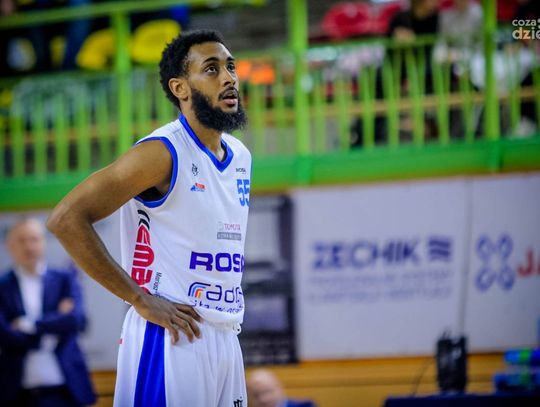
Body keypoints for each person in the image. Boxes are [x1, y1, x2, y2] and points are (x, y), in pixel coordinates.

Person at [47, 29, 251, 406]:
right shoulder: (161, 152)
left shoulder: (240, 155)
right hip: (171, 336)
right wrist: (138, 297)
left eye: (230, 67)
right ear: (180, 87)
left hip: (226, 335)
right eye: (211, 69)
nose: (228, 78)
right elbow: (66, 218)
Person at [0, 218, 96, 407]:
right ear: (9, 246)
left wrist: (28, 325)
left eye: (34, 239)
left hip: (66, 389)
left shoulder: (64, 279)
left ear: (43, 242)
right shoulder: (3, 287)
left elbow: (75, 320)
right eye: (21, 240)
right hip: (17, 393)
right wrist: (51, 332)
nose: (29, 246)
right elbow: (4, 334)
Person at [246, 369, 316, 407]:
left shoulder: (305, 406)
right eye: (256, 395)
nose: (263, 399)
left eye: (267, 392)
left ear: (279, 389)